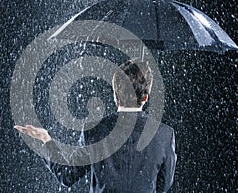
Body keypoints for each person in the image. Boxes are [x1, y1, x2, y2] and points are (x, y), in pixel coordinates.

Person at [14, 60, 177, 193]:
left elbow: (67, 175)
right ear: (146, 97)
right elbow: (163, 186)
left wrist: (46, 140)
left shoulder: (94, 130)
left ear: (115, 95)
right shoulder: (164, 134)